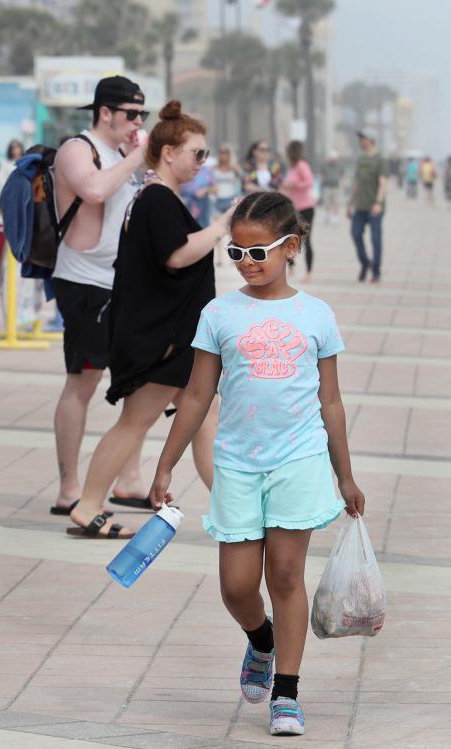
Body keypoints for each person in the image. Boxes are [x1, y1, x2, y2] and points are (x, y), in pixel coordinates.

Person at [148, 190, 365, 738]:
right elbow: (197, 396)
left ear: (291, 246)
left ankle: (287, 693)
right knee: (237, 586)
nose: (247, 263)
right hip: (239, 463)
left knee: (287, 575)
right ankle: (261, 639)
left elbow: (331, 401)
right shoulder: (219, 312)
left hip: (300, 459)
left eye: (259, 251)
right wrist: (165, 464)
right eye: (237, 254)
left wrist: (345, 474)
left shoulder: (316, 315)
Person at [67, 100, 230, 538]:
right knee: (135, 424)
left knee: (205, 416)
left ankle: (233, 511)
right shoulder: (156, 198)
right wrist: (221, 228)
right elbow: (176, 256)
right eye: (198, 153)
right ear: (170, 152)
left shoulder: (158, 197)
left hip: (171, 338)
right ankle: (86, 506)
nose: (202, 162)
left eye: (205, 154)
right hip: (162, 342)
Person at [48, 75, 147, 515]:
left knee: (138, 382)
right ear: (104, 112)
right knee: (83, 383)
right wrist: (138, 156)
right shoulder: (77, 149)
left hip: (121, 281)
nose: (137, 122)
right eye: (130, 114)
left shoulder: (121, 153)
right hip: (83, 284)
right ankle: (68, 487)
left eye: (142, 114)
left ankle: (129, 480)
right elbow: (94, 190)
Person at [348, 131, 387, 283]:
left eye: (362, 139)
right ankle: (365, 263)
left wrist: (378, 203)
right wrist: (350, 204)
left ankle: (376, 271)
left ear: (370, 140)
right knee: (355, 234)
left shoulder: (380, 160)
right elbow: (356, 183)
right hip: (360, 206)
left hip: (375, 208)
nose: (360, 142)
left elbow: (383, 184)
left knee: (376, 239)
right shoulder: (361, 159)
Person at [281, 140, 316, 281]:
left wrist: (294, 184)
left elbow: (309, 182)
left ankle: (308, 272)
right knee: (289, 238)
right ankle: (291, 268)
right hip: (293, 208)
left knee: (306, 240)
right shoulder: (291, 168)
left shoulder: (302, 165)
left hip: (306, 208)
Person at [211, 144, 242, 264]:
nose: (223, 155)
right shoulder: (214, 168)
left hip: (230, 200)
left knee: (231, 230)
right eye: (221, 152)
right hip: (217, 200)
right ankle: (219, 258)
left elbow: (242, 181)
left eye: (225, 152)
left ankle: (233, 256)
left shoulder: (235, 168)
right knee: (219, 229)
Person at [181, 161, 214, 226]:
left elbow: (215, 189)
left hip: (203, 203)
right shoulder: (182, 168)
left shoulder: (206, 170)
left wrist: (205, 190)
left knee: (202, 227)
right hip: (186, 202)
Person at [320, 152, 343, 224]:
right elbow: (321, 174)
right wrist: (322, 180)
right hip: (327, 186)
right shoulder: (325, 165)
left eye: (334, 158)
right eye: (332, 158)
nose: (333, 160)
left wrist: (342, 181)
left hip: (336, 187)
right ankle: (327, 216)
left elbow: (342, 174)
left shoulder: (339, 165)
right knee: (327, 202)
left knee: (336, 202)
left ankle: (335, 217)